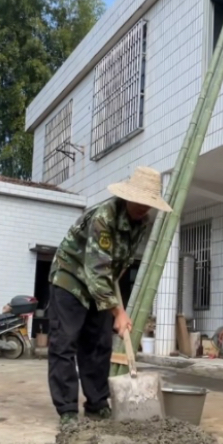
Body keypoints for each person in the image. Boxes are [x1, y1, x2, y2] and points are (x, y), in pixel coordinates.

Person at [46, 166, 173, 425]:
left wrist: (119, 307)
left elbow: (119, 265)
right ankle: (67, 409)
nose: (143, 208)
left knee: (99, 344)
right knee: (65, 343)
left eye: (148, 204)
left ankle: (97, 403)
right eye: (140, 201)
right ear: (128, 196)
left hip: (101, 282)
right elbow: (97, 268)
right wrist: (117, 311)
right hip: (70, 278)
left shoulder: (141, 222)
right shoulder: (103, 217)